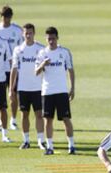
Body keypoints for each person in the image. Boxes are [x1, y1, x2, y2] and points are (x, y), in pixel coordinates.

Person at [35, 26, 76, 155]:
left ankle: (71, 145)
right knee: (48, 120)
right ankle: (50, 146)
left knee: (66, 118)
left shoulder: (64, 52)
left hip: (61, 91)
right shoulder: (42, 53)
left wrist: (72, 88)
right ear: (46, 39)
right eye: (49, 39)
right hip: (47, 91)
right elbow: (36, 72)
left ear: (57, 38)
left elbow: (71, 70)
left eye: (53, 38)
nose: (51, 41)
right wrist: (43, 65)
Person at [10, 23, 46, 150]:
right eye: (26, 33)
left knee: (39, 115)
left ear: (34, 33)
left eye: (30, 33)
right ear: (22, 34)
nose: (28, 35)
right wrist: (11, 89)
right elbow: (14, 69)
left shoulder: (41, 49)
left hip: (38, 87)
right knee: (24, 115)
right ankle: (26, 141)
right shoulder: (18, 50)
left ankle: (41, 141)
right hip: (23, 88)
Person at [0, 5, 23, 130]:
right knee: (1, 96)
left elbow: (23, 47)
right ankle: (1, 122)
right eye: (4, 17)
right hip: (0, 69)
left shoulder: (17, 30)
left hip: (14, 68)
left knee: (13, 94)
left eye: (8, 17)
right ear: (1, 16)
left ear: (11, 16)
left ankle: (13, 120)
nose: (6, 19)